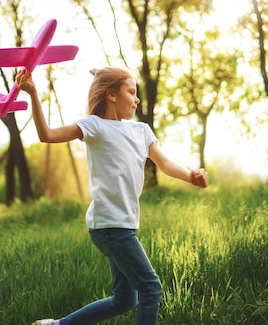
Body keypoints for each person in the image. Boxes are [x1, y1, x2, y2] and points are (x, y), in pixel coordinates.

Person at [15, 67, 209, 325]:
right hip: (109, 225)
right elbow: (47, 135)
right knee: (151, 288)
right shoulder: (94, 126)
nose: (137, 99)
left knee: (125, 300)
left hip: (124, 225)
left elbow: (164, 162)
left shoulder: (141, 131)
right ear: (112, 95)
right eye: (131, 92)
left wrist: (190, 176)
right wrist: (33, 95)